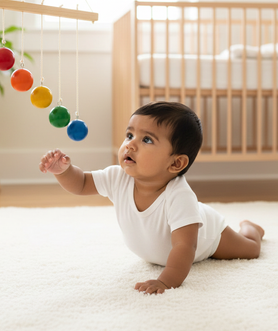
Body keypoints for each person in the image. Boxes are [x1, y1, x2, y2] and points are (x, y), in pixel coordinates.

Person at [39, 101, 264, 295]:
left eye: (146, 140)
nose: (130, 144)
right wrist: (64, 171)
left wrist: (166, 280)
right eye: (129, 135)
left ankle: (251, 228)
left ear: (176, 163)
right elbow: (82, 184)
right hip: (177, 232)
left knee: (251, 250)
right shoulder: (118, 177)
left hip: (209, 234)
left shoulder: (180, 196)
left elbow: (185, 246)